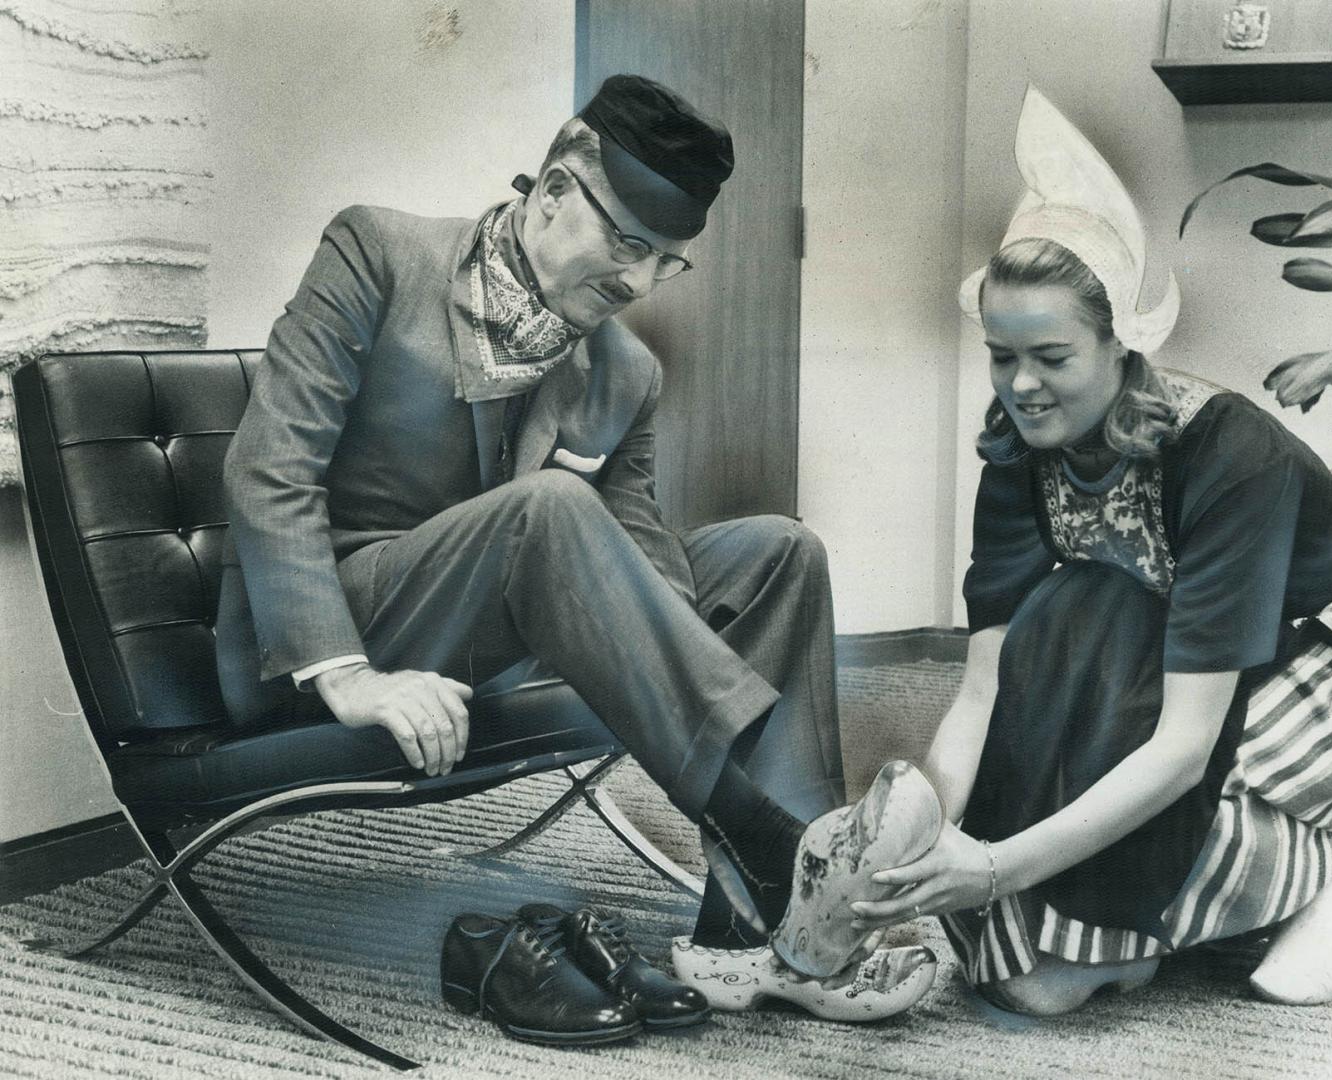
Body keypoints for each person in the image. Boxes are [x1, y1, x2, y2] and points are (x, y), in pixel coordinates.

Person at [215, 73, 932, 1028]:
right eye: (628, 244)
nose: (638, 283)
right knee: (548, 505)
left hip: (484, 631)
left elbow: (656, 575)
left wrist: (650, 632)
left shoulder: (625, 369)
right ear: (553, 188)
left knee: (778, 552)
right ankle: (779, 848)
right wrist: (347, 675)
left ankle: (755, 928)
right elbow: (269, 469)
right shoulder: (376, 252)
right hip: (325, 636)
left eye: (668, 263)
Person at [851, 87, 1332, 1015]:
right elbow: (986, 688)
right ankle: (1147, 920)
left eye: (1051, 357)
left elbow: (1180, 750)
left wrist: (993, 871)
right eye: (1000, 355)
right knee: (1030, 965)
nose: (1021, 386)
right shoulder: (1019, 449)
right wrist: (912, 845)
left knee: (1195, 801)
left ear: (1121, 347)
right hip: (1218, 649)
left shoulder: (1228, 455)